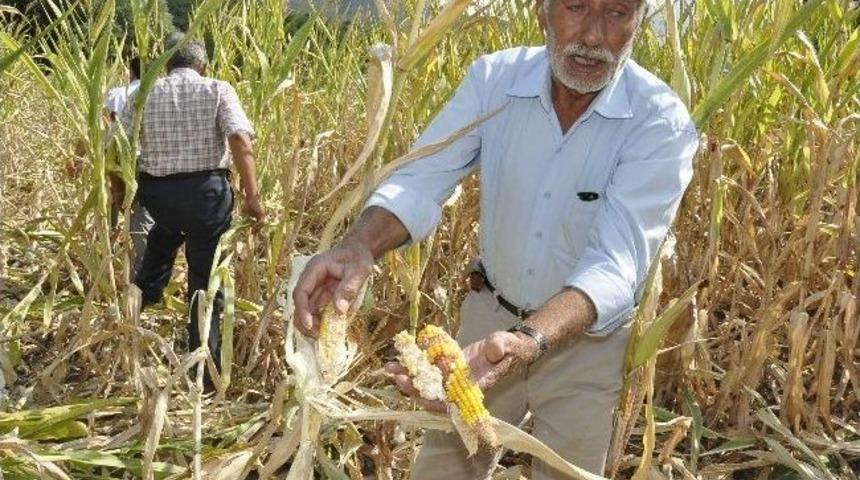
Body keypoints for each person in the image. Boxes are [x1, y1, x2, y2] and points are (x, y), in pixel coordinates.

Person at [293, 0, 698, 477]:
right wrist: (359, 246)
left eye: (616, 13)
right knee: (444, 470)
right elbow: (423, 175)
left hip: (589, 346)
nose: (592, 36)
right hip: (488, 321)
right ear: (542, 11)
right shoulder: (495, 80)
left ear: (637, 21)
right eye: (575, 7)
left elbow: (616, 264)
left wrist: (528, 340)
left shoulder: (660, 121)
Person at [120, 34, 265, 391]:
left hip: (159, 195)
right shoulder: (217, 88)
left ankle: (125, 327)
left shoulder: (142, 92)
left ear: (166, 64)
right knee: (205, 279)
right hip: (205, 196)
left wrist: (121, 193)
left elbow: (118, 143)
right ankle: (206, 368)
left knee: (161, 242)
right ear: (203, 65)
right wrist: (252, 197)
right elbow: (240, 141)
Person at [105, 56, 153, 279]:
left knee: (114, 204)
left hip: (115, 160)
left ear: (130, 73)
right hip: (144, 163)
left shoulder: (115, 94)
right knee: (141, 216)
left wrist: (78, 158)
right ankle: (143, 270)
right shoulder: (157, 93)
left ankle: (109, 253)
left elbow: (102, 129)